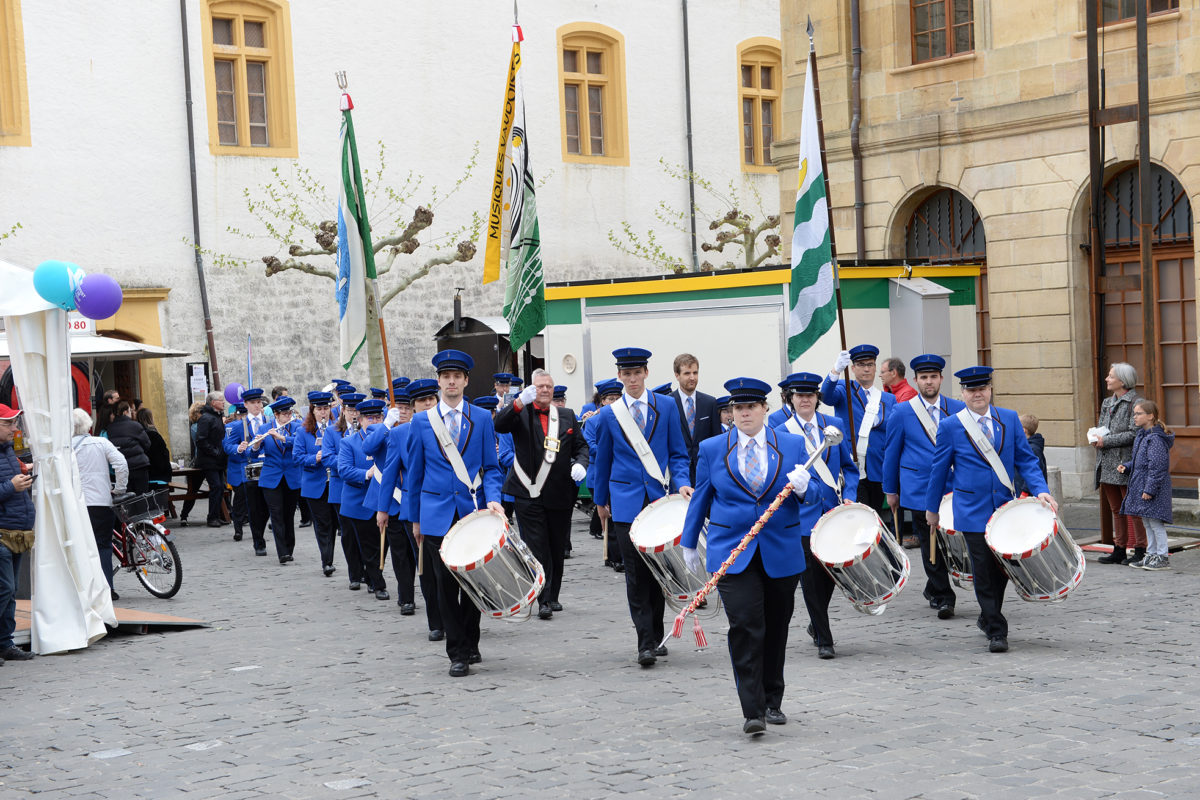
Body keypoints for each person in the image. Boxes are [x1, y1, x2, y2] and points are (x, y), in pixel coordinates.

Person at [681, 377, 813, 735]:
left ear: (764, 409)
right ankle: (752, 709)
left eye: (751, 407)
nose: (743, 414)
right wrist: (690, 542)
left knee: (775, 628)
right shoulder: (711, 448)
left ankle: (773, 699)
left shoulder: (792, 444)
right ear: (730, 413)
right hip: (733, 550)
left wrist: (805, 487)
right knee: (745, 626)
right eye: (737, 408)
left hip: (780, 550)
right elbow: (702, 497)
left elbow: (813, 494)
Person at [925, 366, 1056, 654]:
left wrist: (1041, 489)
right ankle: (997, 630)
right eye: (971, 390)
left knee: (1002, 570)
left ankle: (987, 615)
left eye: (982, 389)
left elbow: (1026, 460)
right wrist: (932, 509)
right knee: (983, 569)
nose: (977, 395)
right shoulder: (950, 426)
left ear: (990, 390)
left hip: (1005, 509)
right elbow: (938, 471)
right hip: (971, 510)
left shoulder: (1008, 418)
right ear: (962, 393)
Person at [405, 350, 505, 677]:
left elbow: (491, 468)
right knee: (446, 587)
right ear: (438, 381)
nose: (451, 381)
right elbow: (415, 475)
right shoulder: (421, 422)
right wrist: (415, 519)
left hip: (472, 512)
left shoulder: (482, 418)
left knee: (474, 582)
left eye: (456, 376)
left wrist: (493, 499)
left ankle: (472, 641)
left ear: (465, 380)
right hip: (436, 515)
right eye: (445, 376)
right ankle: (456, 653)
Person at [592, 347, 692, 667]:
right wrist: (599, 501)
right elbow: (603, 459)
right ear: (619, 376)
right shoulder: (610, 414)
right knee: (635, 575)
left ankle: (656, 632)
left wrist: (682, 482)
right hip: (625, 504)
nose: (632, 379)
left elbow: (678, 453)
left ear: (646, 373)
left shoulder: (665, 406)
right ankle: (644, 642)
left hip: (659, 500)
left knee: (658, 571)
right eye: (626, 373)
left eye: (637, 373)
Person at [771, 372, 858, 659]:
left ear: (817, 398)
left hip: (832, 511)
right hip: (802, 514)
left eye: (810, 395)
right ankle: (824, 638)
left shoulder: (833, 424)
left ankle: (815, 624)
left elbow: (850, 467)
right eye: (799, 395)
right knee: (809, 579)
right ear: (791, 399)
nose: (805, 400)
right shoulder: (779, 428)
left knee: (832, 574)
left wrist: (850, 496)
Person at [494, 369, 588, 620]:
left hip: (560, 492)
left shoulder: (567, 416)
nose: (544, 390)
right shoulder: (520, 412)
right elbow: (499, 424)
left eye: (548, 386)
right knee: (537, 547)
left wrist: (581, 463)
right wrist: (517, 402)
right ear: (531, 389)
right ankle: (542, 598)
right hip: (527, 492)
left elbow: (581, 446)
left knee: (557, 547)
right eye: (539, 386)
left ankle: (553, 594)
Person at [882, 354, 965, 620]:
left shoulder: (956, 408)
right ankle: (943, 596)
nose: (929, 382)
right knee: (930, 541)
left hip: (952, 488)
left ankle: (933, 586)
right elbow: (891, 453)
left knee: (949, 543)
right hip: (918, 488)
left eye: (933, 377)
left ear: (941, 378)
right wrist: (891, 490)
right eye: (924, 378)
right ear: (916, 380)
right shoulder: (903, 411)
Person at [821, 345, 895, 527]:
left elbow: (891, 433)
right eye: (861, 364)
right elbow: (826, 396)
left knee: (876, 517)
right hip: (852, 465)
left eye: (870, 364)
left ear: (876, 367)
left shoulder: (888, 399)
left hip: (877, 466)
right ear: (853, 368)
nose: (867, 368)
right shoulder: (844, 389)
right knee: (857, 518)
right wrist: (835, 371)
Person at [367, 384, 419, 614]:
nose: (404, 411)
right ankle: (406, 597)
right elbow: (367, 447)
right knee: (399, 554)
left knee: (419, 554)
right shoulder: (381, 429)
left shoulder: (419, 429)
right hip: (393, 501)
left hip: (413, 499)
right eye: (399, 407)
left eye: (407, 407)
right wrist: (387, 424)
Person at [401, 378, 444, 639]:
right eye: (422, 401)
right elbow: (410, 474)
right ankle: (436, 622)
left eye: (431, 399)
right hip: (421, 507)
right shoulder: (401, 432)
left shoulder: (454, 424)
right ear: (414, 406)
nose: (427, 403)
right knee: (427, 570)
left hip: (451, 505)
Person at [71, 407, 128, 598]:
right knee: (103, 545)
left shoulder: (66, 449)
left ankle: (86, 590)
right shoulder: (101, 443)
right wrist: (119, 489)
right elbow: (121, 464)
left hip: (76, 504)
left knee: (80, 547)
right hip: (101, 502)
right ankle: (108, 589)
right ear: (89, 425)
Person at [1094, 363, 1146, 565]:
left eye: (1111, 376)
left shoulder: (1136, 402)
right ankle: (1120, 548)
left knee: (1133, 508)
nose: (1107, 379)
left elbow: (1135, 433)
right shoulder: (1108, 402)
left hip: (1126, 463)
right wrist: (1096, 436)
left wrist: (1105, 441)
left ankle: (1141, 549)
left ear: (1122, 381)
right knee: (1116, 509)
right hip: (1107, 462)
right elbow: (1102, 428)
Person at [338, 398, 390, 600]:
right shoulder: (349, 442)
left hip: (384, 501)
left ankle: (372, 574)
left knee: (383, 544)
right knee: (368, 545)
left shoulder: (389, 439)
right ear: (360, 420)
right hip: (359, 501)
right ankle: (378, 584)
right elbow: (344, 470)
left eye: (378, 417)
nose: (374, 422)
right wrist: (367, 474)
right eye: (370, 418)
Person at [1118, 400, 1174, 571]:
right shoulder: (1143, 436)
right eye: (1134, 413)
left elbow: (1157, 467)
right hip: (1141, 487)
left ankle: (1162, 556)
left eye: (1138, 413)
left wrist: (1149, 489)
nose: (1134, 417)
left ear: (1150, 416)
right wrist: (1127, 466)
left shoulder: (1155, 439)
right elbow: (1140, 461)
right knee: (1147, 522)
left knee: (1156, 523)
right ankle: (1151, 554)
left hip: (1151, 489)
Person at [0, 403, 35, 662]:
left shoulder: (8, 451)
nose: (15, 428)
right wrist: (11, 486)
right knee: (5, 588)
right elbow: (6, 487)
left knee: (9, 592)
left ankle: (5, 643)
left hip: (17, 530)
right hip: (2, 531)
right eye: (8, 423)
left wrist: (23, 471)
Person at [293, 391, 338, 577]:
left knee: (334, 524)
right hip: (315, 483)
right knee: (322, 524)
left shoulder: (337, 428)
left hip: (334, 483)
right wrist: (315, 458)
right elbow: (297, 457)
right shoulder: (303, 432)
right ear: (312, 411)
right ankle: (326, 561)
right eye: (319, 409)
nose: (323, 412)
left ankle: (330, 556)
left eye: (326, 408)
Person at [326, 392, 367, 590]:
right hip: (341, 487)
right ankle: (355, 574)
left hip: (366, 487)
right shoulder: (332, 431)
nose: (354, 414)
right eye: (350, 410)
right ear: (342, 410)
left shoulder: (368, 430)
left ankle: (370, 571)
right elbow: (327, 457)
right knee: (349, 534)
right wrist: (347, 462)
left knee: (368, 533)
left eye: (358, 410)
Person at [583, 379, 623, 568]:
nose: (614, 402)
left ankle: (615, 555)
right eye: (610, 399)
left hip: (620, 473)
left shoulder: (626, 418)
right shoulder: (593, 420)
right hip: (598, 472)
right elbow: (590, 446)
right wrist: (611, 452)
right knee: (606, 514)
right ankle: (612, 556)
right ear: (602, 401)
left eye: (617, 398)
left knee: (616, 515)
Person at [260, 396, 303, 565]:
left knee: (288, 514)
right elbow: (254, 453)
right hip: (271, 477)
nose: (288, 416)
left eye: (290, 413)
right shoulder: (265, 428)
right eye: (285, 413)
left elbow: (299, 443)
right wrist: (255, 446)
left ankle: (289, 547)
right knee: (276, 514)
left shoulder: (297, 428)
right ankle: (282, 552)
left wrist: (282, 438)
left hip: (291, 476)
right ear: (276, 415)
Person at [229, 388, 271, 556]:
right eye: (253, 403)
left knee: (269, 506)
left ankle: (262, 529)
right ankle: (258, 541)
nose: (257, 406)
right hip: (250, 469)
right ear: (246, 405)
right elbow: (228, 445)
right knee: (253, 508)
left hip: (270, 468)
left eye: (259, 402)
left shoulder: (270, 421)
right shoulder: (239, 425)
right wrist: (238, 448)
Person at [670, 353, 721, 485]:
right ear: (677, 375)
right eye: (687, 373)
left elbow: (716, 440)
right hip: (677, 474)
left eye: (695, 372)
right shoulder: (667, 403)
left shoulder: (709, 402)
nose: (692, 377)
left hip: (704, 472)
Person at [190, 391, 228, 528]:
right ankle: (212, 518)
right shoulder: (206, 418)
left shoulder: (217, 416)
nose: (224, 402)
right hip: (209, 460)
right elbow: (201, 440)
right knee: (216, 486)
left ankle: (217, 516)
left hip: (218, 459)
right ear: (213, 403)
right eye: (221, 400)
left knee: (220, 487)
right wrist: (215, 452)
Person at [105, 401, 152, 494]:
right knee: (141, 496)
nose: (131, 413)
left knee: (127, 499)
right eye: (130, 411)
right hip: (139, 466)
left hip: (121, 469)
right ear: (125, 412)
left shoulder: (109, 428)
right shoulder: (135, 425)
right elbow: (147, 444)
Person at [222, 404, 249, 541]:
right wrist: (238, 448)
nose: (242, 418)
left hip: (251, 467)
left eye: (244, 415)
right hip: (237, 467)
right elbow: (227, 446)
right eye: (239, 415)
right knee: (239, 500)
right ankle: (238, 529)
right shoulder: (230, 428)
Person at [177, 402, 206, 525]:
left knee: (219, 486)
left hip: (202, 459)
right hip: (200, 460)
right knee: (193, 490)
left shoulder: (197, 426)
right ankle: (184, 515)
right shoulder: (195, 427)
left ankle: (225, 513)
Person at [1014, 414, 1048, 497]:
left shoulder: (1032, 449)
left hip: (1029, 494)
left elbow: (1035, 470)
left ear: (1023, 430)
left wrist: (1025, 492)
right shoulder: (1024, 446)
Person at [137, 408, 172, 489]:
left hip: (144, 474)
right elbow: (163, 453)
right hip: (158, 475)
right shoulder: (154, 434)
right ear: (150, 418)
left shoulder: (137, 435)